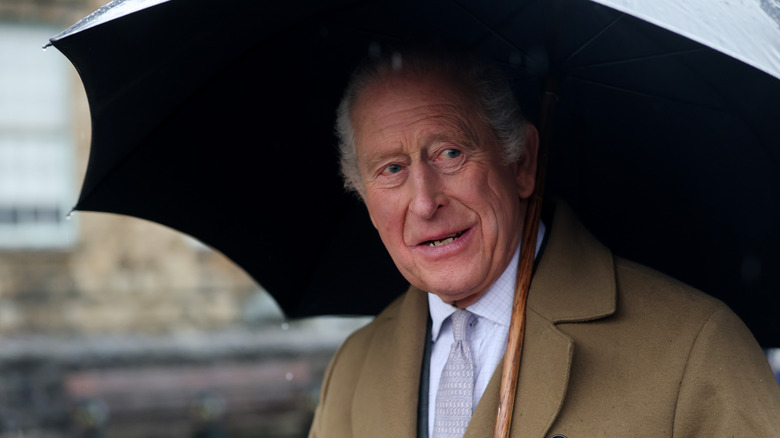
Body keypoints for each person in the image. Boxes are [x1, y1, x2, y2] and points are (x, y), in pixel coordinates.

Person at [308, 48, 780, 437]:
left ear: (523, 162)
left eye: (450, 153)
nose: (425, 201)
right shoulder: (352, 369)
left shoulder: (697, 350)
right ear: (365, 199)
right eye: (391, 169)